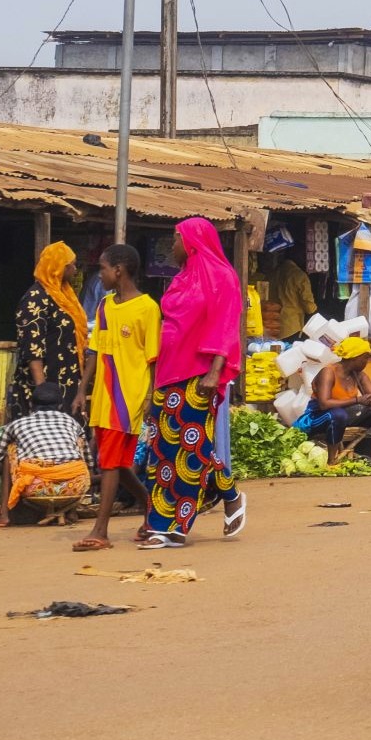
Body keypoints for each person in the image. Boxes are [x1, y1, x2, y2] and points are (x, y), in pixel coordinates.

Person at [139, 217, 247, 548]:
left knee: (189, 450)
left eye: (175, 239)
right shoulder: (182, 278)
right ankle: (228, 495)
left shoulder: (222, 277)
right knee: (163, 449)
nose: (171, 246)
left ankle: (174, 527)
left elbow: (226, 325)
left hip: (199, 374)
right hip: (168, 372)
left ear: (192, 242)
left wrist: (215, 371)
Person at [75, 243, 159, 552]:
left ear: (119, 270)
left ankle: (100, 531)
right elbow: (95, 351)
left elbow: (153, 358)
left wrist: (151, 397)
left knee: (110, 463)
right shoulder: (105, 306)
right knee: (119, 464)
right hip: (103, 396)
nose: (101, 274)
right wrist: (82, 390)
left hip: (128, 395)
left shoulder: (148, 308)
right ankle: (154, 508)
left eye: (103, 268)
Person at [11, 240, 86, 422]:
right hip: (45, 386)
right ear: (60, 268)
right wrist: (42, 392)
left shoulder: (63, 296)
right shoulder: (36, 299)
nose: (75, 270)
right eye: (72, 265)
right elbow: (32, 348)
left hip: (66, 383)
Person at [305, 336, 371, 463]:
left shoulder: (358, 374)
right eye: (365, 358)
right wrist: (357, 400)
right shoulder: (328, 372)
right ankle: (332, 460)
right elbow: (324, 404)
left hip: (348, 415)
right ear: (355, 358)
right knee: (339, 414)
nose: (367, 361)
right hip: (319, 417)